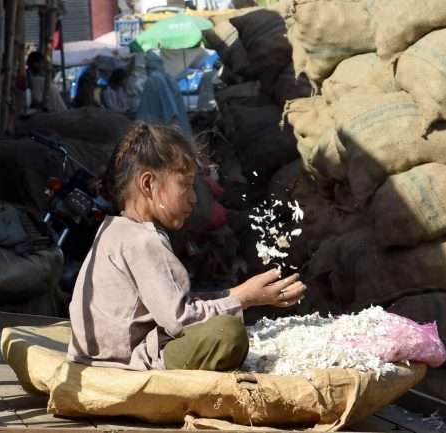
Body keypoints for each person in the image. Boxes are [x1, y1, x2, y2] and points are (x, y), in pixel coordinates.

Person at [67, 123, 306, 371]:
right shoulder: (144, 240)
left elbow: (171, 304)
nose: (193, 197)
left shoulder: (117, 229)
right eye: (186, 185)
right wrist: (244, 298)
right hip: (126, 361)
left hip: (107, 354)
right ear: (148, 184)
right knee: (227, 332)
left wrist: (233, 295)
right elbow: (179, 319)